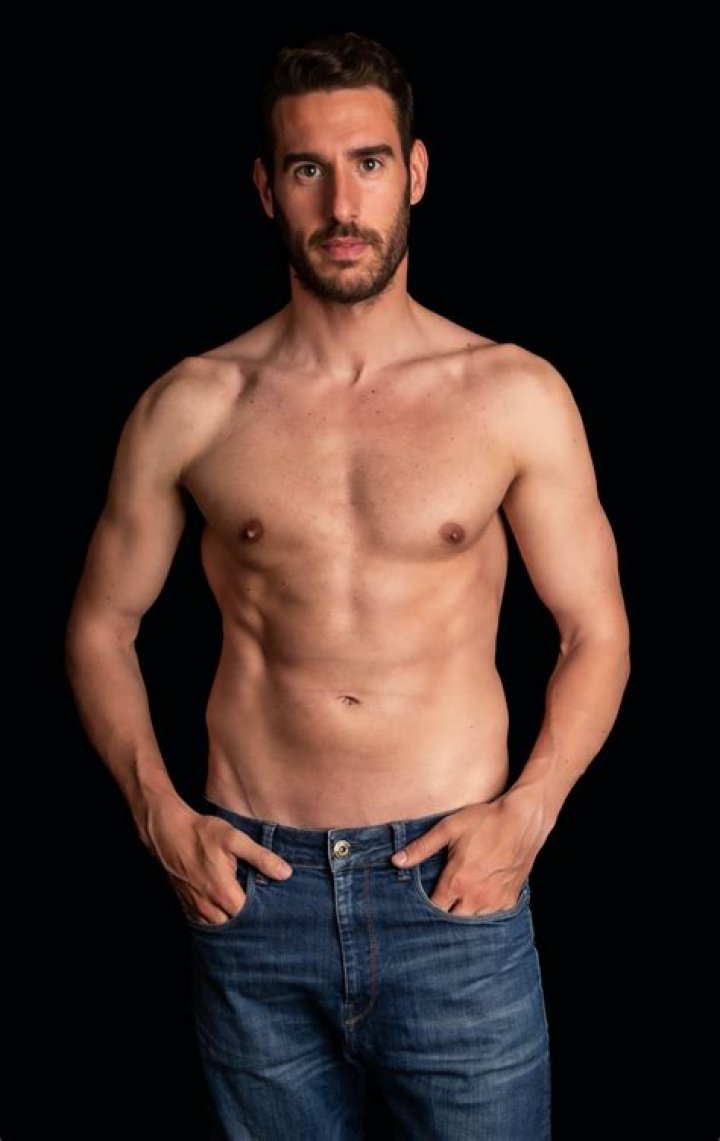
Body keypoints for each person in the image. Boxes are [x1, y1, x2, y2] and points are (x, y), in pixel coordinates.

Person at [65, 29, 630, 1141]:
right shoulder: (193, 404)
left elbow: (595, 632)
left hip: (453, 892)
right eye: (307, 169)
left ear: (414, 171)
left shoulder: (512, 394)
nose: (341, 203)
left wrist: (531, 812)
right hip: (253, 894)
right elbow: (99, 628)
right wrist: (160, 816)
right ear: (265, 189)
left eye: (368, 162)